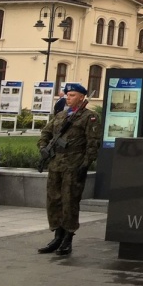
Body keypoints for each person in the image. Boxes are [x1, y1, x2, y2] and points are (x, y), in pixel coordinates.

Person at [36, 83, 101, 256]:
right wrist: (43, 148)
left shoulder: (90, 117)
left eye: (72, 95)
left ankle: (67, 239)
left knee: (69, 201)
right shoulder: (61, 115)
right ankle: (57, 236)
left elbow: (93, 143)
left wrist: (85, 164)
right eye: (67, 95)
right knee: (54, 200)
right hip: (56, 164)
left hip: (74, 164)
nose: (68, 97)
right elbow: (45, 133)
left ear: (81, 97)